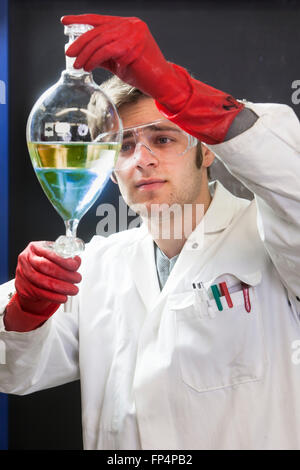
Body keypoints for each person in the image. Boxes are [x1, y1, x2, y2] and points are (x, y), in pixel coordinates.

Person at [0, 13, 300, 450]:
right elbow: (14, 371)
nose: (141, 159)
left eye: (162, 139)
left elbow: (290, 174)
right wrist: (23, 313)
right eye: (123, 145)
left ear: (208, 151)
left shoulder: (274, 241)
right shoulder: (97, 266)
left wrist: (180, 91)